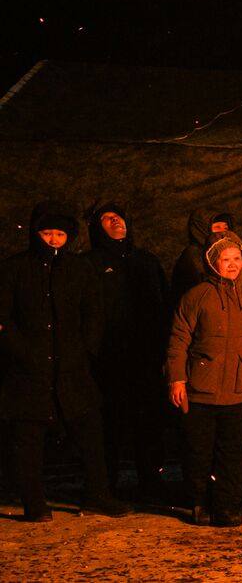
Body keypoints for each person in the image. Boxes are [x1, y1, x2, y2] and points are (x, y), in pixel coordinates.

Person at [0, 202, 132, 521]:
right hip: (29, 370)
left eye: (60, 234)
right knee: (29, 438)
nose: (54, 240)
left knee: (89, 433)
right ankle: (34, 501)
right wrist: (22, 352)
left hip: (72, 367)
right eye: (48, 233)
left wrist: (87, 347)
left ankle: (97, 494)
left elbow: (93, 311)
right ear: (36, 233)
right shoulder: (14, 269)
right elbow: (4, 318)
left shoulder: (78, 268)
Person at [166, 232, 242, 527]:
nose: (232, 265)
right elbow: (178, 340)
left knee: (233, 452)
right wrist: (177, 380)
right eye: (224, 259)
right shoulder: (196, 296)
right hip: (202, 388)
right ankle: (199, 503)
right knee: (199, 450)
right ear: (213, 263)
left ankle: (227, 506)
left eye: (236, 258)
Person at [85, 202, 169, 502]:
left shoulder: (146, 261)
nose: (117, 221)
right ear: (97, 227)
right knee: (110, 426)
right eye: (108, 218)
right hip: (108, 362)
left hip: (145, 360)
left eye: (120, 216)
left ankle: (151, 486)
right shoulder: (89, 264)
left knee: (148, 425)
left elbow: (163, 307)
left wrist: (163, 352)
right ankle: (106, 488)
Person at [170, 209, 235, 299]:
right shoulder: (194, 256)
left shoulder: (228, 253)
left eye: (225, 228)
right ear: (203, 229)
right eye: (217, 227)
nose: (223, 232)